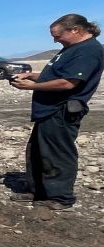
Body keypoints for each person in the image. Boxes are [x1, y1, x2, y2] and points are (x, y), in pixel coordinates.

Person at [9, 13, 102, 211]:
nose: (54, 40)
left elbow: (68, 82)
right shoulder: (70, 48)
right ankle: (38, 191)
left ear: (75, 30)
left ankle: (60, 197)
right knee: (37, 151)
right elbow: (55, 74)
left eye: (58, 35)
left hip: (62, 110)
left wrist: (29, 87)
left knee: (57, 153)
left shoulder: (88, 51)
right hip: (48, 109)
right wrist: (31, 75)